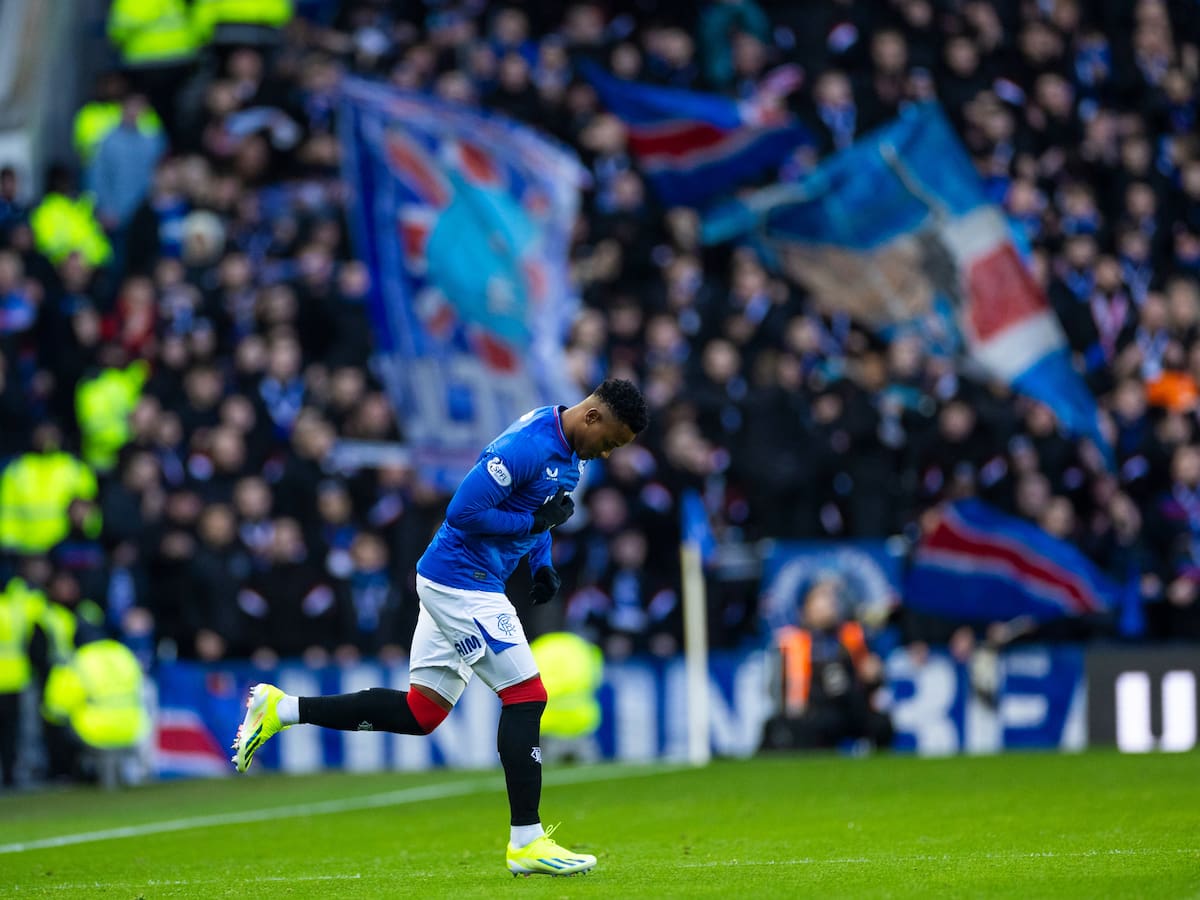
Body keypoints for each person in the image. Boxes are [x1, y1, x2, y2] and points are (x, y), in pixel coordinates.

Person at [231, 379, 648, 877]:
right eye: (612, 441)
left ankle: (281, 708)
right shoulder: (528, 445)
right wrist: (533, 529)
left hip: (466, 579)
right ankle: (527, 841)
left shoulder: (572, 453)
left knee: (421, 712)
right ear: (594, 417)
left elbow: (536, 512)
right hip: (461, 580)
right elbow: (463, 512)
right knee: (527, 695)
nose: (607, 453)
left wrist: (541, 562)